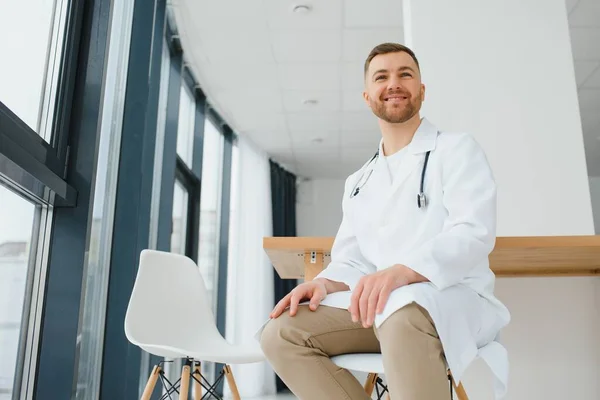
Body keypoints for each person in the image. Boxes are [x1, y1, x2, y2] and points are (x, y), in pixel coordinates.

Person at [259, 43, 511, 400]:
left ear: (421, 90)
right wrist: (326, 284)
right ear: (368, 96)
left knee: (402, 316)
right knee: (281, 334)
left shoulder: (456, 150)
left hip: (453, 299)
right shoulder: (359, 181)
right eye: (382, 76)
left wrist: (401, 272)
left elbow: (473, 233)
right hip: (383, 307)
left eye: (405, 74)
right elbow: (352, 258)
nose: (394, 83)